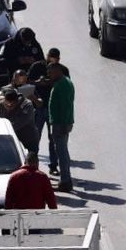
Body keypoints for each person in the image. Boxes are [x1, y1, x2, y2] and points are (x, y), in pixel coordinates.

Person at [29, 47, 61, 170]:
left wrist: (50, 83)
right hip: (38, 107)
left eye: (56, 60)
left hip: (53, 109)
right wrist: (39, 82)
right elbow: (28, 82)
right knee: (35, 137)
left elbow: (64, 84)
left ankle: (53, 165)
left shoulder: (62, 70)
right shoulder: (37, 66)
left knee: (53, 139)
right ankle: (32, 164)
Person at [47, 62, 75, 191]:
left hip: (60, 124)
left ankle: (65, 181)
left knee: (61, 153)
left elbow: (65, 106)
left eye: (51, 72)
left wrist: (64, 123)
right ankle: (66, 179)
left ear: (58, 71)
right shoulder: (66, 81)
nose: (49, 75)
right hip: (63, 122)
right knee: (63, 151)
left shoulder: (62, 85)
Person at [0, 86, 38, 152]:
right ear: (4, 100)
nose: (9, 107)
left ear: (17, 102)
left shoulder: (26, 105)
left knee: (31, 160)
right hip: (9, 141)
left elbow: (18, 123)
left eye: (12, 105)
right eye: (7, 105)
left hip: (28, 139)